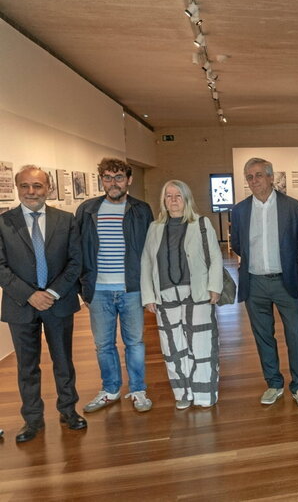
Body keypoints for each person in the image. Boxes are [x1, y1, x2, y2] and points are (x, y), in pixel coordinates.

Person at [0, 165, 86, 443]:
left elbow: (76, 261)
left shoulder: (66, 220)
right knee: (27, 366)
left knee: (63, 360)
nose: (31, 192)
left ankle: (68, 410)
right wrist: (29, 294)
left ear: (47, 188)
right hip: (20, 304)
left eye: (37, 186)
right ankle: (32, 420)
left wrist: (52, 292)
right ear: (17, 188)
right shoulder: (3, 222)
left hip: (58, 303)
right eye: (24, 186)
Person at [230, 158, 298, 407]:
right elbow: (237, 244)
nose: (254, 181)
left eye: (258, 175)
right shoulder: (240, 210)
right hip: (254, 283)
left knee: (295, 335)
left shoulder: (292, 206)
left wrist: (287, 262)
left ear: (270, 177)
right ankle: (274, 383)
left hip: (285, 281)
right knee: (263, 336)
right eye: (249, 177)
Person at [76, 158, 154, 413]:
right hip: (98, 291)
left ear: (129, 180)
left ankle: (138, 389)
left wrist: (149, 288)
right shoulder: (87, 210)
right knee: (103, 344)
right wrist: (83, 288)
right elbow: (77, 251)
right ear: (101, 180)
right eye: (107, 177)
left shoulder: (141, 210)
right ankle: (110, 390)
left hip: (131, 288)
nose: (113, 182)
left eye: (119, 177)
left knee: (135, 343)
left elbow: (150, 251)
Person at [141, 180, 223, 409]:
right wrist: (149, 296)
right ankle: (183, 393)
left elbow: (215, 257)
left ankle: (204, 394)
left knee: (202, 346)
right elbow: (146, 262)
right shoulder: (154, 228)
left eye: (178, 195)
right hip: (166, 298)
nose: (174, 200)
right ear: (163, 201)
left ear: (186, 198)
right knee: (174, 349)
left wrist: (214, 287)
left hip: (197, 295)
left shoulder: (202, 223)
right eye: (169, 196)